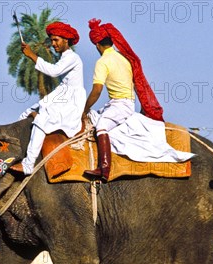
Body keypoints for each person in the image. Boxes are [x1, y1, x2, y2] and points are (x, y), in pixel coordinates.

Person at [82, 19, 193, 182]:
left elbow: (97, 90)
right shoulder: (123, 58)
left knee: (101, 126)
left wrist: (84, 109)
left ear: (97, 45)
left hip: (119, 105)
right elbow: (135, 84)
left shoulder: (102, 62)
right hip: (127, 103)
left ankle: (104, 169)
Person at [9, 22, 85, 175]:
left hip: (71, 102)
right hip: (62, 96)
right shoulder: (64, 58)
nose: (53, 44)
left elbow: (53, 71)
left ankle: (28, 165)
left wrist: (31, 55)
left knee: (42, 120)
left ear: (66, 40)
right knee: (26, 113)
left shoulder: (73, 58)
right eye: (51, 40)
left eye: (56, 40)